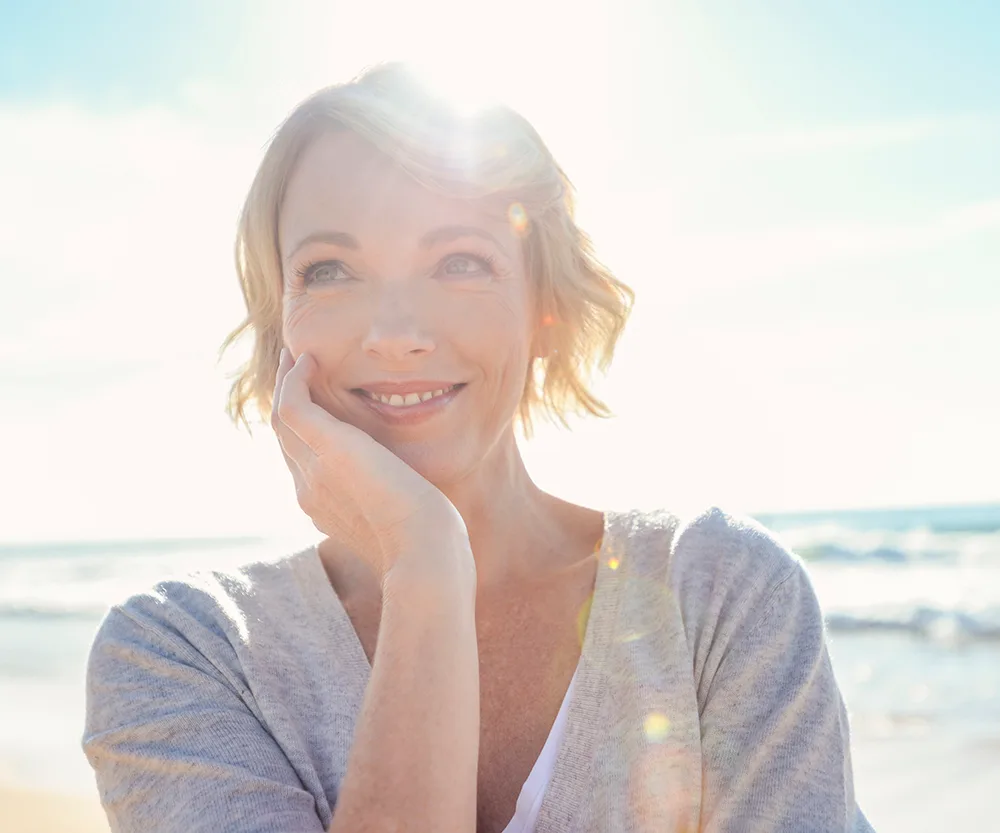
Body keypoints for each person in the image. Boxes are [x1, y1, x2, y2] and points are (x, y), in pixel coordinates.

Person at [82, 62, 874, 832]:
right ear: (278, 318)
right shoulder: (180, 652)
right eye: (329, 269)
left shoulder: (719, 593)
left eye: (460, 262)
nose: (396, 335)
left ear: (544, 307)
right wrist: (424, 567)